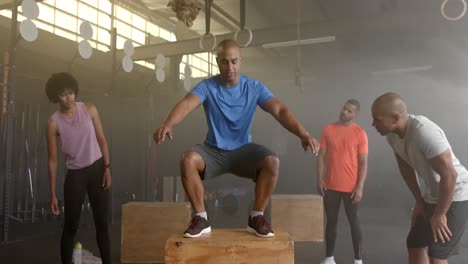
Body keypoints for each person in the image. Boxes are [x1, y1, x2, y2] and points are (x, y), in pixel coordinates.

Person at [153, 39, 320, 238]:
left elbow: (280, 110)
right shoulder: (208, 86)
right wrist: (168, 123)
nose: (229, 67)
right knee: (187, 160)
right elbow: (187, 104)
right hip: (213, 151)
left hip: (244, 151)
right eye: (224, 62)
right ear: (217, 62)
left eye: (234, 61)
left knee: (272, 162)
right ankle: (201, 218)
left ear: (240, 61)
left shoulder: (254, 87)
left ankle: (256, 217)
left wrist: (304, 133)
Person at [371, 92, 468, 264]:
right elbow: (405, 167)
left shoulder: (424, 132)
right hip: (433, 194)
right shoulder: (392, 136)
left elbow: (450, 175)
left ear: (395, 117)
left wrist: (440, 214)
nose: (373, 124)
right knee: (415, 243)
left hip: (456, 193)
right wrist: (419, 201)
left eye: (377, 119)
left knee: (437, 253)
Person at [46, 72, 112, 264]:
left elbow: (102, 140)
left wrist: (107, 168)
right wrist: (52, 193)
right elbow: (52, 160)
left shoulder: (89, 109)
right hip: (75, 175)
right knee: (71, 226)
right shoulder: (53, 124)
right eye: (63, 94)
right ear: (55, 96)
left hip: (98, 169)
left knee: (102, 224)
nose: (68, 98)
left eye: (71, 93)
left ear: (75, 91)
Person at [317, 99, 368, 264]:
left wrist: (359, 187)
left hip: (351, 188)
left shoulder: (360, 133)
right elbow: (321, 157)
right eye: (344, 108)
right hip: (330, 185)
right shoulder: (328, 130)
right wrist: (320, 180)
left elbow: (363, 163)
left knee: (354, 222)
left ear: (355, 115)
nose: (344, 112)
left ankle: (358, 260)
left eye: (349, 111)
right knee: (331, 222)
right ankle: (329, 258)